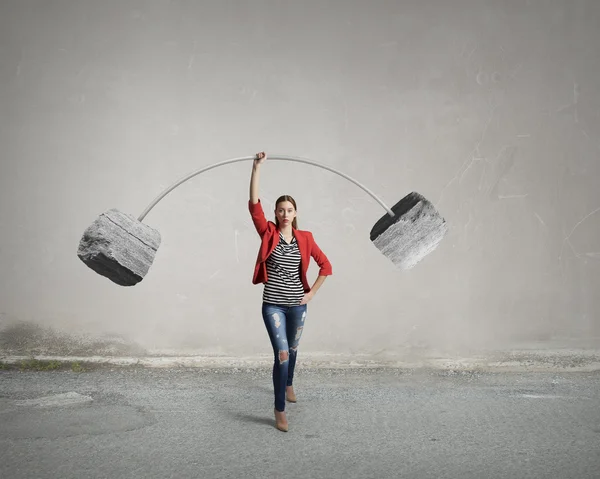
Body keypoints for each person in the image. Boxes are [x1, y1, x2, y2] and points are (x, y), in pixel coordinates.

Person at [248, 151, 333, 432]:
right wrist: (256, 167)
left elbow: (326, 266)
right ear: (275, 213)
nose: (285, 214)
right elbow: (253, 205)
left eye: (290, 210)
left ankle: (288, 383)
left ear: (295, 214)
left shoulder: (305, 238)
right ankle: (279, 409)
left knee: (293, 350)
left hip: (298, 305)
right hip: (273, 304)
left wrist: (311, 295)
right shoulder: (268, 233)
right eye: (280, 210)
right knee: (282, 354)